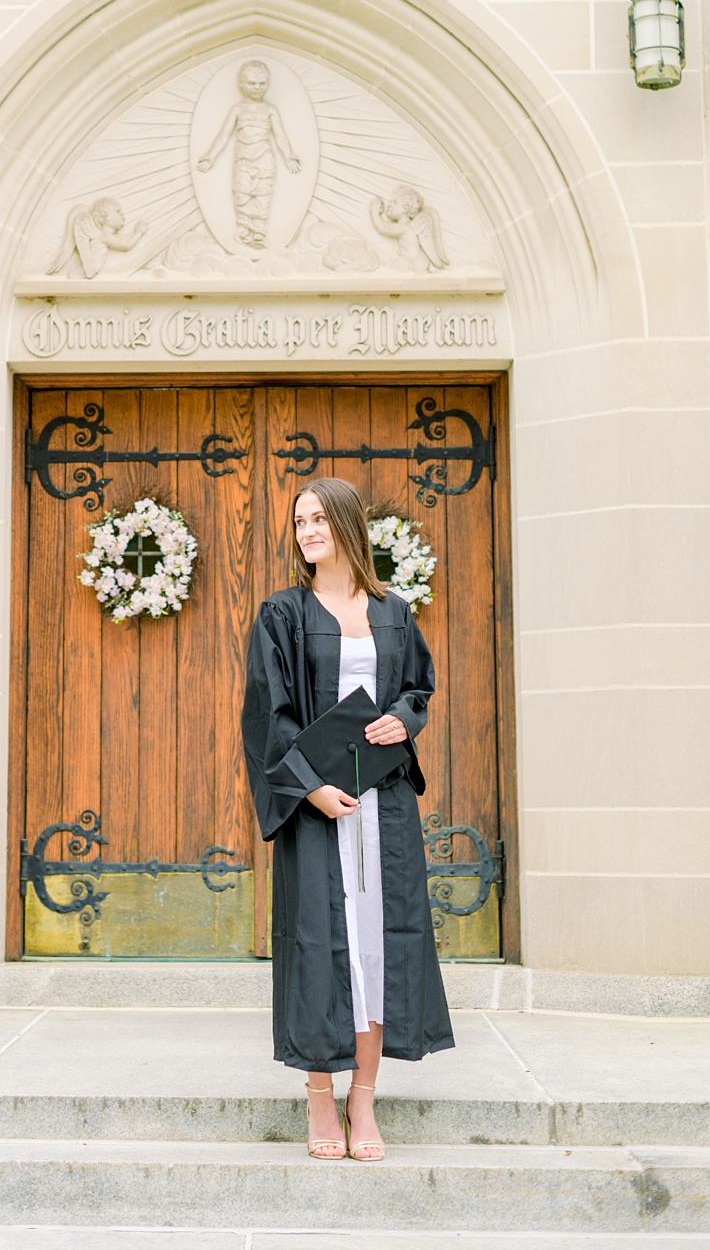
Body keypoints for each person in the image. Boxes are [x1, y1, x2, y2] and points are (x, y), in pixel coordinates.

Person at [241, 476, 455, 1161]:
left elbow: (418, 688)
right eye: (300, 522)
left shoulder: (393, 610)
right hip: (316, 808)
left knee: (376, 952)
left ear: (347, 527)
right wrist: (308, 790)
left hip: (383, 808)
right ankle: (319, 1103)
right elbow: (267, 718)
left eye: (319, 520)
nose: (307, 532)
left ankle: (364, 1102)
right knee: (318, 950)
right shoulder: (281, 613)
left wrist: (405, 718)